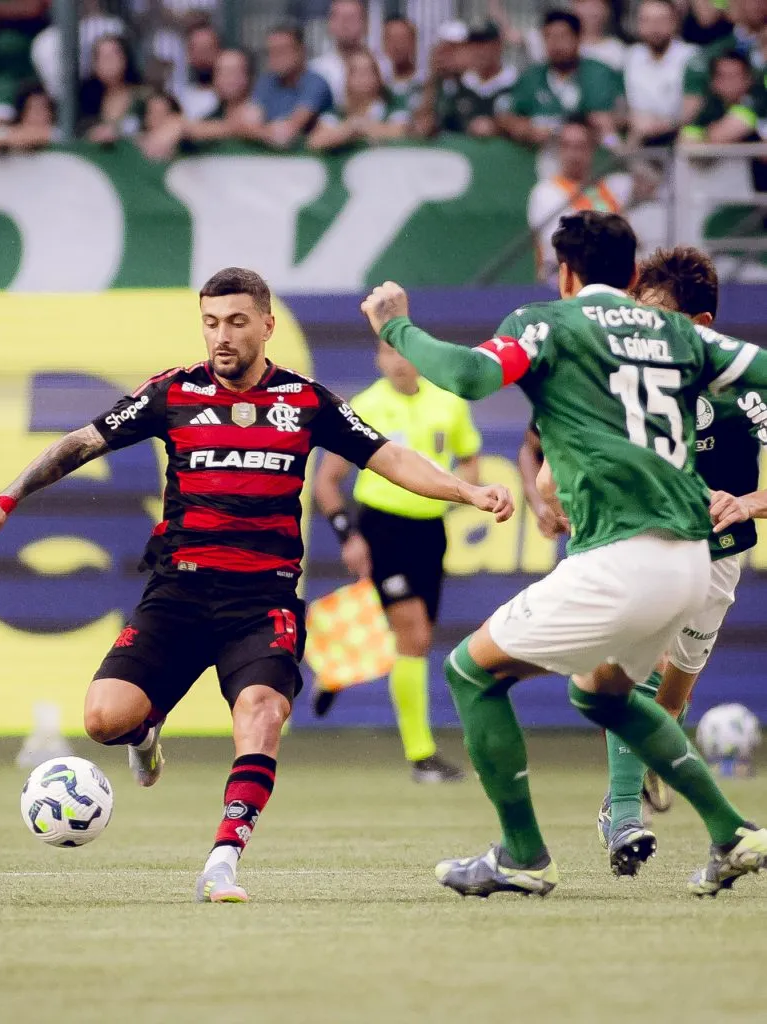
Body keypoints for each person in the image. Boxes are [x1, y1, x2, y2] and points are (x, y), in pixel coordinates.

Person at [0, 267, 515, 905]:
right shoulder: (174, 391)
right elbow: (83, 442)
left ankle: (223, 859)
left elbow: (390, 457)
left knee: (262, 714)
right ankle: (145, 733)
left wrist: (467, 489)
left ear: (267, 326)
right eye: (212, 322)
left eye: (237, 322)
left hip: (262, 600)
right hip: (179, 592)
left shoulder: (305, 401)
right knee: (105, 720)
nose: (222, 336)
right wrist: (6, 499)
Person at [360, 210, 767, 899]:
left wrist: (396, 326)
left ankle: (521, 854)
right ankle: (731, 834)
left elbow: (466, 374)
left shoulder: (547, 322)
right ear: (632, 275)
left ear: (565, 273)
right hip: (689, 560)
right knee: (604, 692)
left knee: (470, 673)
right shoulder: (678, 333)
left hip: (620, 554)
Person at [596, 245, 767, 867]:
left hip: (721, 554)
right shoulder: (626, 381)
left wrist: (749, 502)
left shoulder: (743, 386)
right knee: (631, 670)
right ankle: (621, 816)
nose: (642, 328)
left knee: (671, 694)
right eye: (636, 312)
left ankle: (647, 761)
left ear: (699, 327)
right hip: (651, 540)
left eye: (657, 316)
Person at [313, 340, 482, 782]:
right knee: (415, 634)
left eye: (405, 352)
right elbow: (327, 481)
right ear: (379, 360)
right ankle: (421, 755)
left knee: (412, 637)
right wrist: (348, 536)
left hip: (430, 530)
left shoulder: (449, 404)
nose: (400, 362)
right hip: (381, 528)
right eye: (389, 353)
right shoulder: (364, 406)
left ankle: (337, 669)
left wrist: (458, 488)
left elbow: (470, 465)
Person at [527, 118, 634, 283]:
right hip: (562, 283)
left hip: (609, 284)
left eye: (580, 146)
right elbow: (560, 245)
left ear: (592, 149)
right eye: (566, 146)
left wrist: (612, 140)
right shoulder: (546, 192)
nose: (573, 154)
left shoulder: (611, 188)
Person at [500, 9, 624, 150]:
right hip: (537, 157)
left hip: (591, 157)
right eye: (548, 37)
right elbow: (507, 116)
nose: (555, 44)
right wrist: (523, 128)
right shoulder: (531, 76)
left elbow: (616, 118)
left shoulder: (599, 73)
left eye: (562, 36)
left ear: (578, 38)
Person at [624, 0, 704, 148]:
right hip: (639, 137)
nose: (654, 27)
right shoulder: (629, 57)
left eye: (661, 20)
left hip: (679, 136)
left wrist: (664, 124)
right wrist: (631, 119)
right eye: (647, 20)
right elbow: (619, 104)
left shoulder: (691, 56)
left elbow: (695, 106)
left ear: (674, 22)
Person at [246, 23, 333, 149]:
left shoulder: (316, 83)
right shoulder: (266, 82)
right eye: (271, 51)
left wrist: (260, 131)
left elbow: (289, 131)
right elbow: (247, 124)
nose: (275, 57)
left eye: (282, 50)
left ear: (301, 51)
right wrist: (268, 132)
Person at [307, 49, 409, 150]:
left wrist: (362, 127)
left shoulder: (393, 107)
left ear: (378, 77)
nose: (362, 77)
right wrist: (349, 129)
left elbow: (401, 132)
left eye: (367, 71)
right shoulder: (337, 112)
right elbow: (315, 141)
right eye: (355, 72)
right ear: (347, 78)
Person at [437, 21, 517, 138]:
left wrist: (498, 126)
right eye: (475, 44)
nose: (480, 51)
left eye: (486, 44)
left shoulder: (516, 83)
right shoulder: (460, 86)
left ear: (499, 45)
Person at [77, 35, 146, 143]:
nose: (109, 61)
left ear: (125, 58)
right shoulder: (85, 102)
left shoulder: (143, 97)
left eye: (114, 54)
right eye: (102, 57)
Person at [182, 48, 257, 145]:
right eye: (221, 72)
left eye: (234, 71)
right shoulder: (211, 115)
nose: (227, 78)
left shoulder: (263, 112)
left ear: (248, 76)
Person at [681, 51, 761, 142]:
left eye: (733, 76)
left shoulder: (758, 101)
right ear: (712, 82)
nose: (728, 83)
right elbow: (685, 141)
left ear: (748, 79)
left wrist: (705, 137)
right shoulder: (709, 107)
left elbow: (718, 137)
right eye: (722, 76)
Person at [311, 0, 367, 108]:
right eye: (340, 18)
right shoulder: (316, 70)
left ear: (364, 23)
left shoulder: (383, 66)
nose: (345, 24)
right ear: (330, 23)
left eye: (351, 18)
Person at [177, 21, 222, 120]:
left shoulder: (232, 99)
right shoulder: (177, 97)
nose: (202, 57)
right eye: (197, 50)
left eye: (207, 49)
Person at [379, 15, 423, 113]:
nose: (397, 45)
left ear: (414, 42)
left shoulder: (426, 85)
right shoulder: (377, 86)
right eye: (391, 39)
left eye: (402, 39)